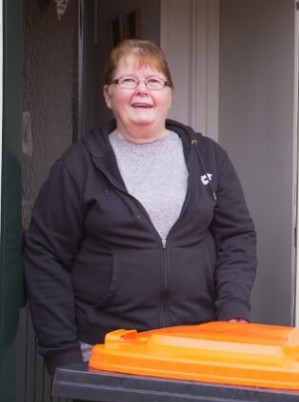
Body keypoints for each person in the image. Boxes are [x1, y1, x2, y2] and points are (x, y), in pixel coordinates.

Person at [24, 38, 257, 376]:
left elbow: (237, 237)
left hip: (197, 344)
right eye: (127, 81)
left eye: (154, 81)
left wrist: (234, 308)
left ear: (169, 94)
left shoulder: (208, 157)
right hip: (107, 351)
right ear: (108, 95)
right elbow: (46, 256)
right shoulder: (78, 165)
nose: (142, 91)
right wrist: (62, 353)